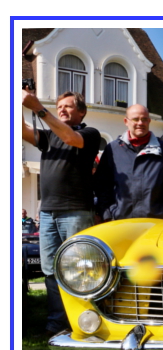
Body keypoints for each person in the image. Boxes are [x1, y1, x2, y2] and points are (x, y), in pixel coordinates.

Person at [22, 90, 101, 335]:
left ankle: (85, 321)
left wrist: (39, 109)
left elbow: (70, 138)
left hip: (76, 212)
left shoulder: (90, 133)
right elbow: (21, 130)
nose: (62, 110)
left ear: (82, 112)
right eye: (59, 107)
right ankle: (57, 323)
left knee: (82, 269)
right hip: (47, 213)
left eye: (68, 106)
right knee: (50, 271)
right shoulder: (48, 137)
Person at [95, 104, 163, 221]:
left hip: (155, 222)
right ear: (126, 121)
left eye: (144, 119)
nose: (140, 123)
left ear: (149, 121)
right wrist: (108, 214)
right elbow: (102, 185)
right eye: (135, 119)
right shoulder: (113, 149)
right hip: (120, 222)